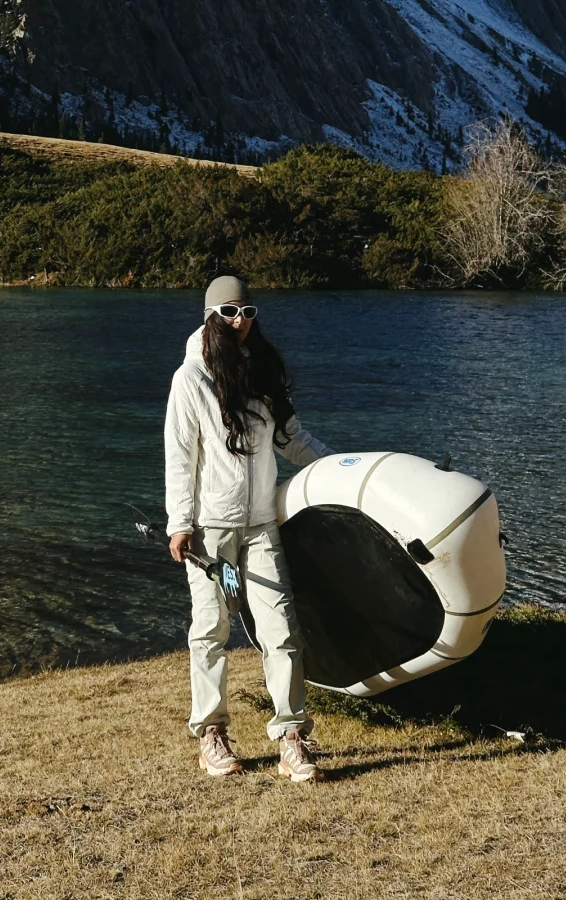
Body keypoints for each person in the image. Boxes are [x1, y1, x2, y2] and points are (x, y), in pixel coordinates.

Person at [164, 275, 333, 781]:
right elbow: (180, 457)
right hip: (210, 529)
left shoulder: (261, 372)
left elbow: (292, 439)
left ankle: (292, 738)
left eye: (248, 312)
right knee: (211, 629)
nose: (241, 322)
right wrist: (180, 524)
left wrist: (339, 467)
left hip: (261, 524)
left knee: (281, 630)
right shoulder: (190, 379)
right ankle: (211, 735)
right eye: (230, 313)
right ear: (210, 317)